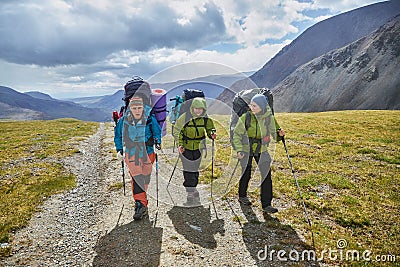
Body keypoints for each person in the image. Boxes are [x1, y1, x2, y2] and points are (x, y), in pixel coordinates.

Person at [232, 94, 285, 213]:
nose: (251, 107)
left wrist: (279, 135)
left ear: (262, 107)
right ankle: (242, 196)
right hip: (246, 149)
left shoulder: (268, 118)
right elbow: (236, 135)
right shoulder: (246, 117)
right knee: (246, 173)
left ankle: (266, 205)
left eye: (255, 105)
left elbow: (274, 133)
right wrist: (239, 150)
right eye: (251, 104)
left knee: (266, 176)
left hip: (262, 149)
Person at [114, 94, 162, 220]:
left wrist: (158, 142)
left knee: (145, 178)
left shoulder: (150, 119)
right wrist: (119, 150)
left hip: (148, 152)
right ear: (130, 108)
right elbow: (118, 135)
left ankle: (141, 200)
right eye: (134, 108)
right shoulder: (124, 120)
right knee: (137, 178)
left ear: (143, 108)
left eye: (139, 108)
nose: (137, 111)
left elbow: (157, 132)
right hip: (131, 153)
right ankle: (140, 205)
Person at [173, 97, 216, 206]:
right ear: (192, 108)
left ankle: (193, 188)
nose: (198, 111)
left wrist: (212, 134)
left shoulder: (205, 119)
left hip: (199, 148)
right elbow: (178, 131)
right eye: (196, 108)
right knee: (188, 169)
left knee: (195, 168)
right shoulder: (185, 117)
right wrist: (180, 144)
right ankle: (190, 192)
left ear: (204, 109)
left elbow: (210, 128)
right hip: (185, 148)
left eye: (200, 109)